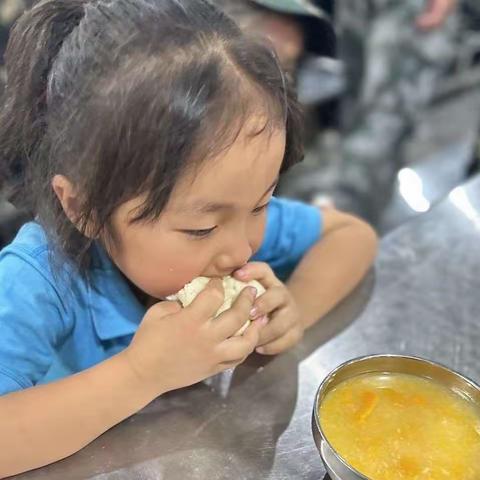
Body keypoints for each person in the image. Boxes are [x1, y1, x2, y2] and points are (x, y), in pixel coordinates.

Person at [0, 0, 377, 476]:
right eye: (200, 229)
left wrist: (293, 310)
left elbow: (352, 236)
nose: (242, 248)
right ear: (83, 208)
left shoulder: (224, 211)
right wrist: (141, 374)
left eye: (262, 203)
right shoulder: (38, 281)